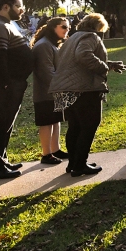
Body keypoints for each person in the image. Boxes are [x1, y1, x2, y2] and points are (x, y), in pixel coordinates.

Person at [51, 13, 125, 176]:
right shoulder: (91, 36)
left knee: (75, 126)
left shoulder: (72, 37)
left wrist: (109, 64)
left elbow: (75, 60)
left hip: (66, 88)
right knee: (89, 125)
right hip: (84, 89)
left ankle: (73, 163)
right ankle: (80, 164)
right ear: (98, 26)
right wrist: (103, 67)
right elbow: (83, 55)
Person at [0, 0, 34, 180]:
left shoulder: (5, 24)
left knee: (5, 124)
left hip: (11, 83)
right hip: (3, 84)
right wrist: (5, 83)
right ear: (6, 6)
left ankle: (0, 160)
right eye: (20, 6)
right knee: (0, 123)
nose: (22, 10)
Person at [31, 17, 70, 164]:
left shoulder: (52, 44)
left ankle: (55, 149)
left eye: (68, 28)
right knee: (46, 122)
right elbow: (46, 72)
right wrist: (62, 86)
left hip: (54, 92)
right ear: (53, 28)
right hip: (45, 93)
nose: (67, 30)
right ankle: (46, 154)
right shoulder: (44, 46)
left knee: (55, 121)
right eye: (64, 27)